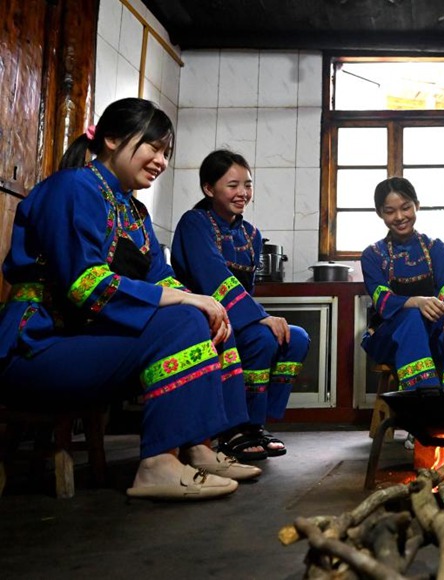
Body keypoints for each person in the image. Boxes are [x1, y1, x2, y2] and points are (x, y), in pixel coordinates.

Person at [0, 98, 262, 500]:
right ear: (111, 139)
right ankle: (158, 464)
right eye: (153, 148)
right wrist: (186, 304)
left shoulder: (134, 212)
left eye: (166, 153)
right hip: (39, 346)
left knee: (207, 319)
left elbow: (164, 278)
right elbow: (85, 285)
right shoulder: (72, 187)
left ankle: (197, 447)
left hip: (87, 343)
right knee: (184, 320)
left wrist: (206, 304)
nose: (161, 161)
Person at [171, 150, 310, 461]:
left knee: (296, 337)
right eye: (232, 185)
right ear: (209, 188)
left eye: (247, 185)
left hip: (235, 317)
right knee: (262, 337)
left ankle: (256, 423)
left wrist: (258, 317)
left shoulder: (251, 234)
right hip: (199, 318)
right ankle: (234, 427)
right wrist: (259, 318)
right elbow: (213, 279)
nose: (243, 193)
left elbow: (245, 290)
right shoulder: (195, 223)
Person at [361, 176, 444, 392]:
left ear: (417, 205)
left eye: (406, 208)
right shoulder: (372, 255)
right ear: (380, 213)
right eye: (389, 211)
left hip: (433, 333)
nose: (399, 217)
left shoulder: (437, 249)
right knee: (412, 318)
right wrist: (416, 302)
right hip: (389, 337)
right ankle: (424, 401)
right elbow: (382, 300)